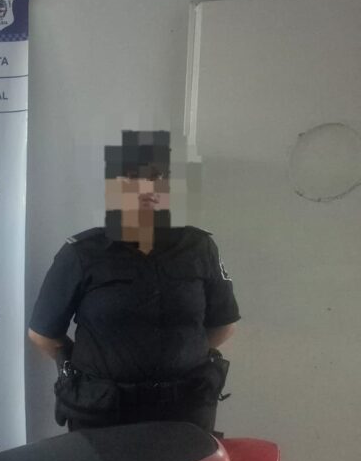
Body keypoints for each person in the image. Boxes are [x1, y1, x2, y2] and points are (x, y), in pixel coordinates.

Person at [28, 131, 238, 433]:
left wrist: (183, 354)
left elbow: (223, 324)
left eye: (157, 177)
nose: (147, 187)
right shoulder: (81, 253)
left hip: (185, 408)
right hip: (103, 412)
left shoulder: (199, 248)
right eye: (133, 177)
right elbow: (43, 334)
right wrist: (92, 369)